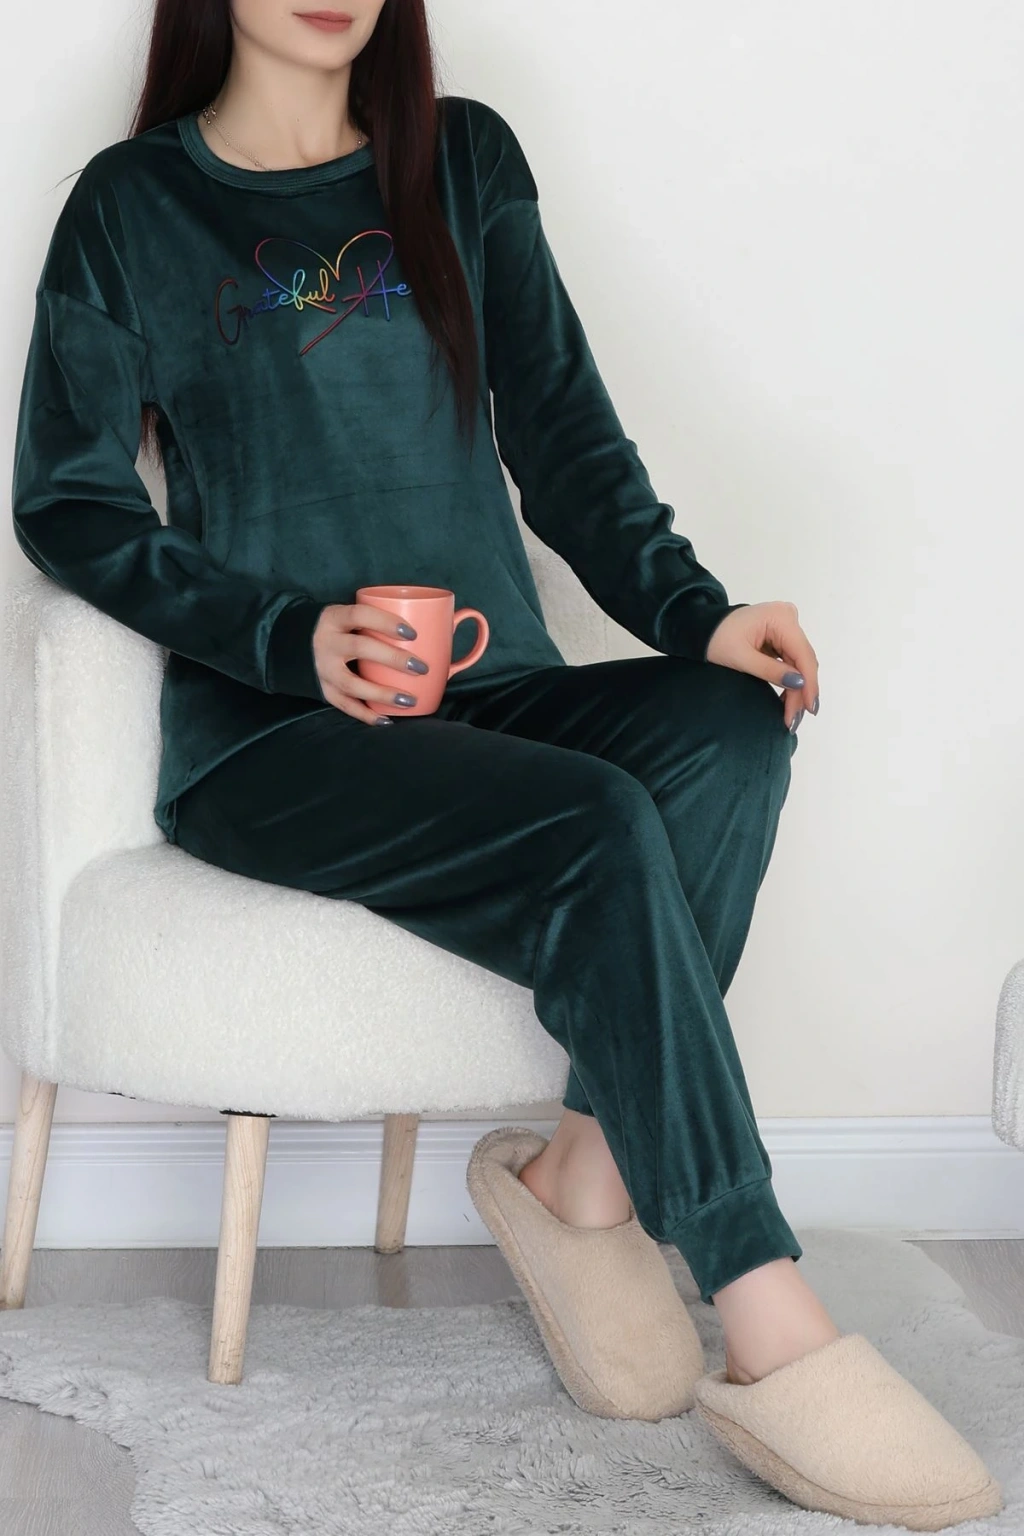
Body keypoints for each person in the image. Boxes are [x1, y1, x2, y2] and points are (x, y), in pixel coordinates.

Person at [10, 1, 1000, 1525]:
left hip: (498, 691)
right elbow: (69, 504)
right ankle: (766, 1308)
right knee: (597, 822)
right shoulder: (133, 205)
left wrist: (698, 614)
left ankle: (581, 1181)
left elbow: (565, 437)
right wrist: (289, 637)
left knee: (732, 731)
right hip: (273, 738)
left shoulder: (461, 162)